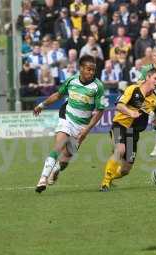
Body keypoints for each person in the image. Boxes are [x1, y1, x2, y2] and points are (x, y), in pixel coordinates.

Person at [33, 55, 106, 193]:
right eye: (89, 69)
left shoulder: (98, 87)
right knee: (58, 146)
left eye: (93, 70)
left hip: (82, 126)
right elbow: (58, 95)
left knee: (66, 158)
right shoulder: (71, 80)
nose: (91, 72)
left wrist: (87, 129)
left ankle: (57, 169)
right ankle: (42, 179)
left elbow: (100, 110)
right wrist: (42, 105)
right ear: (81, 69)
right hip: (67, 118)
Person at [99, 67, 156, 192]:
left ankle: (111, 176)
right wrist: (130, 112)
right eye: (155, 78)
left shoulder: (155, 100)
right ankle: (105, 183)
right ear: (147, 77)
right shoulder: (133, 89)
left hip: (133, 133)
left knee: (126, 170)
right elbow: (119, 105)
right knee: (120, 150)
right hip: (120, 125)